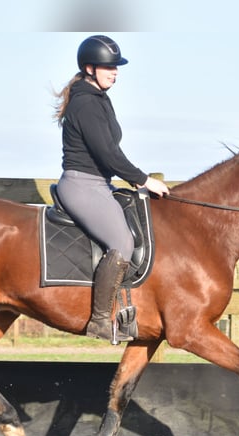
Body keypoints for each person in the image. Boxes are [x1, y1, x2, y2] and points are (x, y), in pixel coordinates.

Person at [53, 34, 169, 343]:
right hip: (82, 185)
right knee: (122, 241)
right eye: (108, 68)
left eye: (116, 67)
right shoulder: (86, 103)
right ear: (90, 68)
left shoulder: (98, 99)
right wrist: (143, 179)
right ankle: (101, 320)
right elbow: (108, 153)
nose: (114, 72)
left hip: (99, 184)